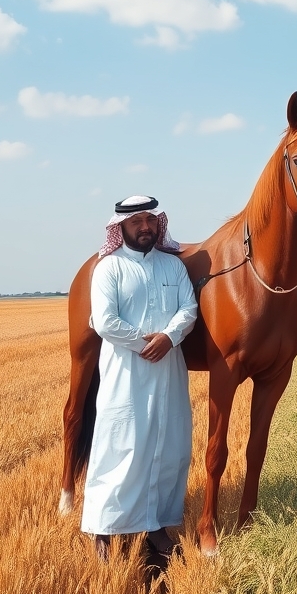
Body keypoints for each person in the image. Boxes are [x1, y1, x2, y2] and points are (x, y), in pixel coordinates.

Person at [81, 195, 198, 565]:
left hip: (168, 371)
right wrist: (144, 343)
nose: (144, 227)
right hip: (125, 373)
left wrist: (169, 337)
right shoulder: (109, 268)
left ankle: (155, 526)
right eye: (136, 222)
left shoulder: (173, 267)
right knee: (119, 447)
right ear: (121, 228)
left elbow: (189, 308)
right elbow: (104, 320)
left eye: (150, 221)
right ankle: (104, 528)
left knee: (169, 447)